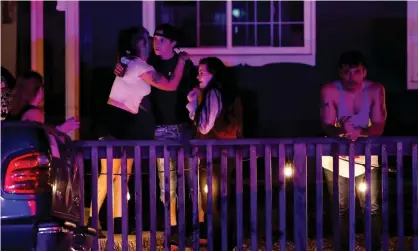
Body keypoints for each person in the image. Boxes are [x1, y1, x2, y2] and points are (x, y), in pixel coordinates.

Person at [90, 25, 190, 237]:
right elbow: (171, 85)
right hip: (114, 120)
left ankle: (118, 223)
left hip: (127, 123)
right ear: (139, 43)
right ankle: (90, 219)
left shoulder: (137, 64)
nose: (153, 41)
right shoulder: (135, 65)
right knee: (110, 173)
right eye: (149, 39)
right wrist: (181, 60)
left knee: (122, 175)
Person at [114, 23, 202, 248]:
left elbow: (197, 88)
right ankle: (171, 231)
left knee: (193, 179)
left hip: (185, 128)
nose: (156, 43)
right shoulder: (148, 65)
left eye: (162, 39)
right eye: (154, 39)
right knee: (167, 183)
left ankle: (197, 228)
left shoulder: (186, 64)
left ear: (173, 43)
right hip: (161, 129)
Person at [320, 50, 386, 250]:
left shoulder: (375, 90)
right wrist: (343, 131)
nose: (352, 77)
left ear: (364, 72)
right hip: (336, 158)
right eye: (347, 72)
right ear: (340, 73)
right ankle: (342, 247)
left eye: (356, 72)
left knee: (372, 207)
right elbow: (326, 124)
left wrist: (360, 132)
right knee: (341, 208)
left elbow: (379, 126)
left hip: (367, 155)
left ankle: (374, 247)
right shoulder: (330, 90)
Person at [186, 57, 242, 248]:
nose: (198, 76)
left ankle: (219, 244)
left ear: (214, 74)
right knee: (221, 201)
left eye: (202, 72)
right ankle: (225, 242)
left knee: (211, 203)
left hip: (213, 156)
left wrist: (193, 106)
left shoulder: (213, 94)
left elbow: (203, 127)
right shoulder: (227, 95)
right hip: (227, 154)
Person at [6, 71, 79, 134]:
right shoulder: (34, 113)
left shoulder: (10, 113)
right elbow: (40, 141)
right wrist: (62, 130)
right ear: (39, 90)